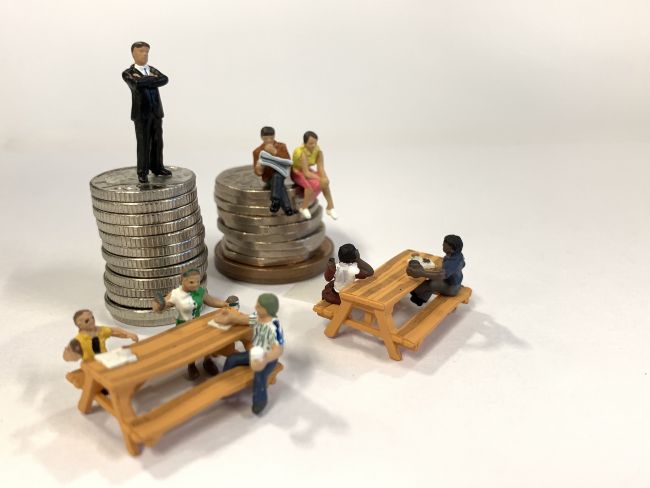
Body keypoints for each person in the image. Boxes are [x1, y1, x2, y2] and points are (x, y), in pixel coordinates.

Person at [152, 269, 232, 380]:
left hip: (198, 323)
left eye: (198, 281)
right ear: (183, 281)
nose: (195, 285)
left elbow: (211, 301)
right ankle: (191, 365)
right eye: (191, 282)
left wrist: (224, 303)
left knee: (207, 341)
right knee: (191, 347)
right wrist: (158, 305)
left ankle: (207, 361)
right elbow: (164, 304)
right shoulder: (176, 294)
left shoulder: (200, 291)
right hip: (184, 326)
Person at [212, 293, 284, 415]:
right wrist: (229, 318)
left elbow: (278, 350)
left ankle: (260, 401)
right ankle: (225, 385)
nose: (255, 307)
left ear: (267, 309)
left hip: (268, 358)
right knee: (232, 358)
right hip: (255, 353)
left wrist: (266, 358)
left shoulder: (274, 327)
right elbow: (243, 319)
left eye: (259, 306)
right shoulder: (258, 318)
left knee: (259, 376)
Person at [122, 41, 171, 184]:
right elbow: (136, 84)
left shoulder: (152, 69)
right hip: (141, 114)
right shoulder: (128, 73)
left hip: (156, 112)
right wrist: (152, 80)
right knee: (143, 143)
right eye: (141, 51)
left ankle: (157, 167)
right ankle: (142, 171)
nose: (145, 54)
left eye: (146, 52)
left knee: (157, 141)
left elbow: (164, 79)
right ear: (133, 53)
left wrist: (146, 80)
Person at [291, 131, 337, 220]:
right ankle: (303, 207)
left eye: (315, 143)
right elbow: (306, 173)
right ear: (305, 143)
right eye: (310, 143)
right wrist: (320, 178)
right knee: (309, 188)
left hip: (308, 170)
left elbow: (320, 167)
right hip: (297, 172)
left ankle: (330, 207)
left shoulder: (318, 150)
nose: (313, 145)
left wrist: (325, 179)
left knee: (325, 184)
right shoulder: (300, 152)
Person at [407, 235, 465, 305]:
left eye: (444, 245)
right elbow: (463, 264)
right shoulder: (458, 255)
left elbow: (441, 275)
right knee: (432, 280)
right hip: (455, 283)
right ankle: (419, 299)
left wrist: (421, 273)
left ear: (452, 249)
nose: (442, 245)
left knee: (431, 284)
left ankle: (416, 297)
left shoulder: (452, 261)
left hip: (452, 288)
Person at [62, 309, 139, 362]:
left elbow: (113, 331)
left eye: (92, 317)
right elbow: (68, 356)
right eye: (87, 320)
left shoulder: (100, 331)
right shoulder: (78, 340)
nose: (92, 321)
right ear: (79, 324)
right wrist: (69, 353)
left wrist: (128, 334)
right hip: (90, 364)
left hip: (105, 359)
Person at [252, 127, 294, 215]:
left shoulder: (281, 146)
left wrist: (275, 152)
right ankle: (286, 208)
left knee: (278, 176)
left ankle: (276, 201)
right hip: (268, 177)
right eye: (266, 138)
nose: (269, 140)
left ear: (274, 136)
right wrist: (259, 167)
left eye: (271, 138)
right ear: (261, 138)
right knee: (279, 184)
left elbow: (288, 161)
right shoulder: (257, 151)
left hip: (281, 172)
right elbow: (257, 172)